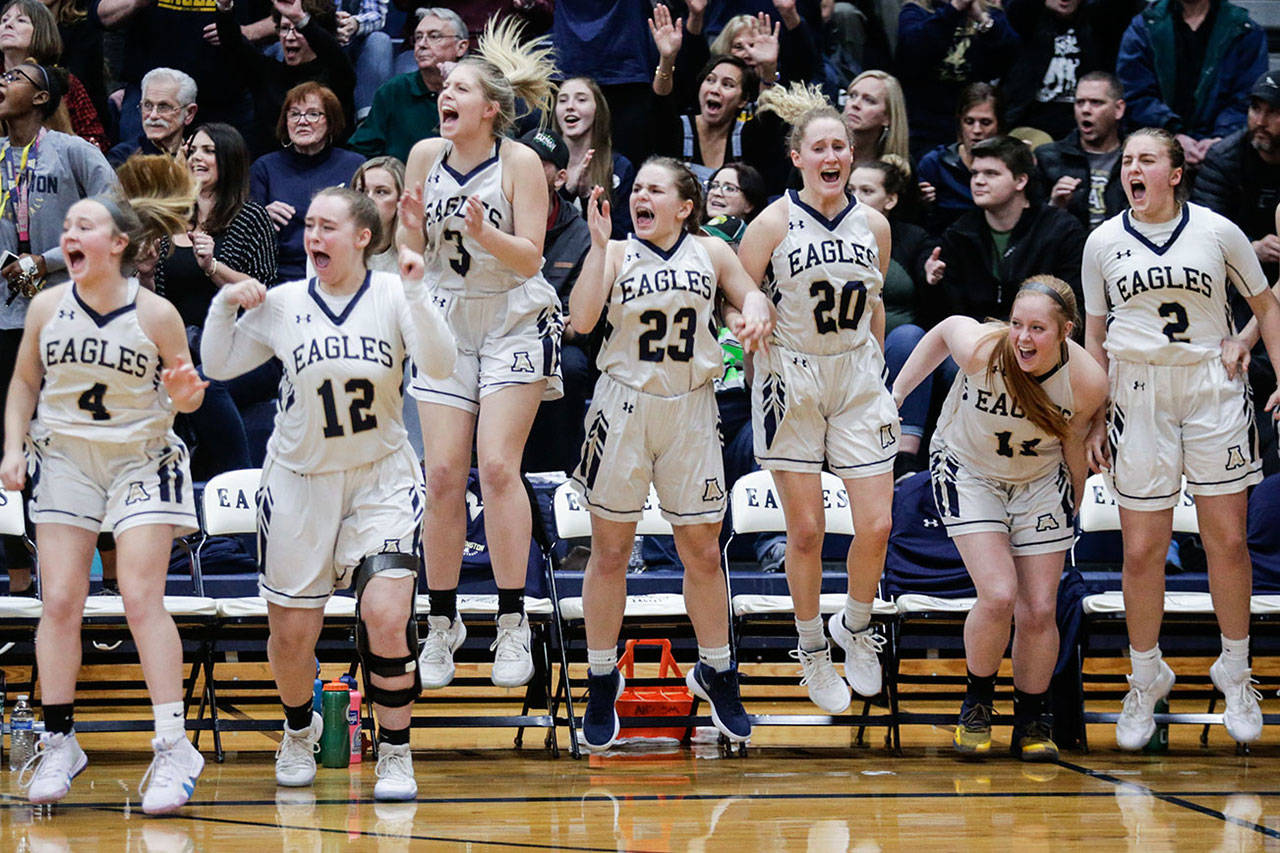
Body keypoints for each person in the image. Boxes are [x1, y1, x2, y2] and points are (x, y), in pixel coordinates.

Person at [200, 187, 455, 800]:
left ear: (363, 236)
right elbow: (218, 364)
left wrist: (420, 291)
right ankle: (297, 729)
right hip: (299, 482)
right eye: (308, 225)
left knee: (387, 618)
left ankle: (395, 750)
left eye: (327, 226)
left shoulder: (396, 293)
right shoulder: (287, 302)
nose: (313, 236)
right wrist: (224, 306)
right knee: (292, 636)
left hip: (381, 477)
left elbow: (442, 367)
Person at [0, 155, 206, 813]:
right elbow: (24, 383)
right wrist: (12, 446)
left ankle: (174, 745)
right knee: (59, 598)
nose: (69, 233)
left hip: (143, 458)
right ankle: (60, 739)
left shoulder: (157, 314)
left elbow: (189, 399)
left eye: (83, 224)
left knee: (141, 595)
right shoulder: (45, 306)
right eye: (67, 226)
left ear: (118, 244)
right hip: (66, 460)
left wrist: (185, 393)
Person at [1082, 128, 1280, 749]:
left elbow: (1267, 305)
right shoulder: (1102, 241)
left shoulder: (1219, 231)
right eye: (1127, 162)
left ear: (1174, 172)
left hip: (1210, 385)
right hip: (1135, 392)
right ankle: (1145, 676)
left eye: (1146, 160)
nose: (1132, 169)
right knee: (1141, 550)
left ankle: (1237, 670)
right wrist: (1093, 412)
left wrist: (1258, 354)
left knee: (1227, 540)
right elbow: (1093, 334)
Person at [571, 158, 772, 751]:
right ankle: (602, 677)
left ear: (686, 207)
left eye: (655, 189)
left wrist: (752, 310)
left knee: (703, 552)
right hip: (624, 406)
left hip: (691, 409)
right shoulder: (614, 253)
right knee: (610, 552)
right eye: (638, 189)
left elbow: (747, 297)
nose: (642, 195)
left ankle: (717, 669)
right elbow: (582, 320)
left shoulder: (710, 252)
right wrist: (597, 244)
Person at [397, 19, 561, 692]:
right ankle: (442, 621)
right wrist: (406, 227)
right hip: (445, 317)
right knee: (440, 475)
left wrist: (485, 233)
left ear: (491, 108)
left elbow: (531, 258)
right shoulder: (422, 155)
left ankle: (513, 618)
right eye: (445, 85)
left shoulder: (518, 162)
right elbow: (412, 249)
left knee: (495, 466)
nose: (446, 90)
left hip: (512, 316)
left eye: (462, 85)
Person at [892, 276, 1107, 759]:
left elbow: (1074, 443)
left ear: (1066, 332)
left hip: (1038, 480)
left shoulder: (1088, 380)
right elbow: (946, 327)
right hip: (969, 470)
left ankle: (1033, 717)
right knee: (998, 592)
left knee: (1039, 609)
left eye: (1037, 329)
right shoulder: (985, 351)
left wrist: (1072, 500)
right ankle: (977, 701)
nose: (1023, 338)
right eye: (1016, 325)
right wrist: (899, 393)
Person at [736, 83, 898, 715]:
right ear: (797, 157)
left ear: (851, 156)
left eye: (841, 146)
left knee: (877, 524)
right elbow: (736, 290)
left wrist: (877, 365)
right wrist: (748, 320)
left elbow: (875, 302)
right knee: (806, 530)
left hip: (856, 374)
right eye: (820, 147)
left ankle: (854, 626)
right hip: (791, 376)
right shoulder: (773, 222)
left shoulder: (875, 225)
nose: (832, 155)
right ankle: (809, 649)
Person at [0, 61, 116, 597]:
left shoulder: (74, 152)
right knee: (10, 450)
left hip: (69, 321)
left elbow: (116, 214)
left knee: (85, 446)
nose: (2, 80)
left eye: (16, 75)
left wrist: (42, 261)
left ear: (42, 96)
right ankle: (20, 590)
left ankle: (112, 591)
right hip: (5, 324)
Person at [153, 123, 277, 479]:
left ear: (229, 158)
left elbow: (263, 295)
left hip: (245, 349)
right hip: (181, 348)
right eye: (192, 151)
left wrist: (213, 267)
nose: (197, 158)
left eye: (208, 151)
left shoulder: (251, 217)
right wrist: (145, 273)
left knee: (206, 383)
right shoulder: (171, 218)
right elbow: (159, 298)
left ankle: (241, 489)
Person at [926, 135, 1087, 328]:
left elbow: (1073, 306)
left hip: (1039, 341)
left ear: (1020, 181)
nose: (978, 181)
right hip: (973, 344)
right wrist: (933, 283)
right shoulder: (959, 233)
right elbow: (945, 318)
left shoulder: (1061, 230)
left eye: (991, 173)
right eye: (975, 173)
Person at [649, 5, 787, 193]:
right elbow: (661, 102)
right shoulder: (678, 129)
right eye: (710, 80)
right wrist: (667, 59)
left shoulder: (748, 136)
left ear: (743, 100)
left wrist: (769, 68)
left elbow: (769, 118)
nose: (715, 89)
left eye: (728, 84)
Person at [1115, 0, 1267, 167]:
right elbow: (1135, 92)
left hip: (1225, 155)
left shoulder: (1242, 29)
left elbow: (1248, 97)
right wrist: (1171, 134)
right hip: (1156, 149)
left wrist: (1220, 140)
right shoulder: (1145, 26)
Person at [250, 83, 364, 283]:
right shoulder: (264, 168)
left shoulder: (354, 165)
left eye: (313, 114)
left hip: (340, 273)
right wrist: (261, 218)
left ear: (330, 121)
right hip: (279, 276)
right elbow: (245, 235)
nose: (302, 121)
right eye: (294, 114)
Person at [214, 0, 356, 154]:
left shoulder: (337, 73)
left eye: (298, 29)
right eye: (284, 29)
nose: (289, 37)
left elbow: (332, 52)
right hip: (272, 171)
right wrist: (225, 8)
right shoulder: (266, 73)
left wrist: (301, 19)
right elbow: (233, 43)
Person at [896, 0, 1019, 160]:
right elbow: (913, 51)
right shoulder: (915, 11)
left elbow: (1011, 55)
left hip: (975, 121)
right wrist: (953, 10)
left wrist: (983, 20)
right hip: (924, 123)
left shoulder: (989, 12)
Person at [349, 8, 470, 163]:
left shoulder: (478, 91)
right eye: (418, 37)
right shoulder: (394, 90)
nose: (422, 44)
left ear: (461, 47)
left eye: (434, 36)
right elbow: (362, 150)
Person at [0, 0, 105, 151]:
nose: (8, 24)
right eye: (4, 20)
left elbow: (96, 139)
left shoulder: (64, 83)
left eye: (21, 20)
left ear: (41, 32)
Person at [1034, 71, 1128, 233]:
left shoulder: (1135, 160)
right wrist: (1054, 206)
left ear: (1118, 109)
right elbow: (1030, 232)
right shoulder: (1047, 158)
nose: (1085, 110)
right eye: (1079, 102)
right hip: (1067, 254)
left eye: (1096, 103)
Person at [553, 75, 634, 239]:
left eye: (581, 100)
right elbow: (541, 226)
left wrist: (588, 198)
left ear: (597, 110)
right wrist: (567, 192)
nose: (570, 106)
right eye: (562, 100)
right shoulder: (542, 162)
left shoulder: (619, 167)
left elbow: (624, 236)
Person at [917, 83, 1002, 235]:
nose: (976, 130)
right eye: (969, 122)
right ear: (960, 122)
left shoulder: (1010, 166)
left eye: (985, 123)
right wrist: (921, 203)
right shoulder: (935, 163)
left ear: (999, 125)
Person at [108, 68, 199, 167]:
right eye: (147, 105)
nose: (153, 115)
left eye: (164, 107)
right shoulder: (123, 158)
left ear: (189, 113)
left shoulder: (200, 157)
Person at [843, 70, 911, 166]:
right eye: (852, 95)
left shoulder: (896, 168)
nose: (855, 104)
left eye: (869, 100)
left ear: (888, 117)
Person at [351, 156, 405, 273]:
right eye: (361, 191)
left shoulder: (417, 250)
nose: (368, 199)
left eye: (381, 192)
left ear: (400, 200)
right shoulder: (332, 245)